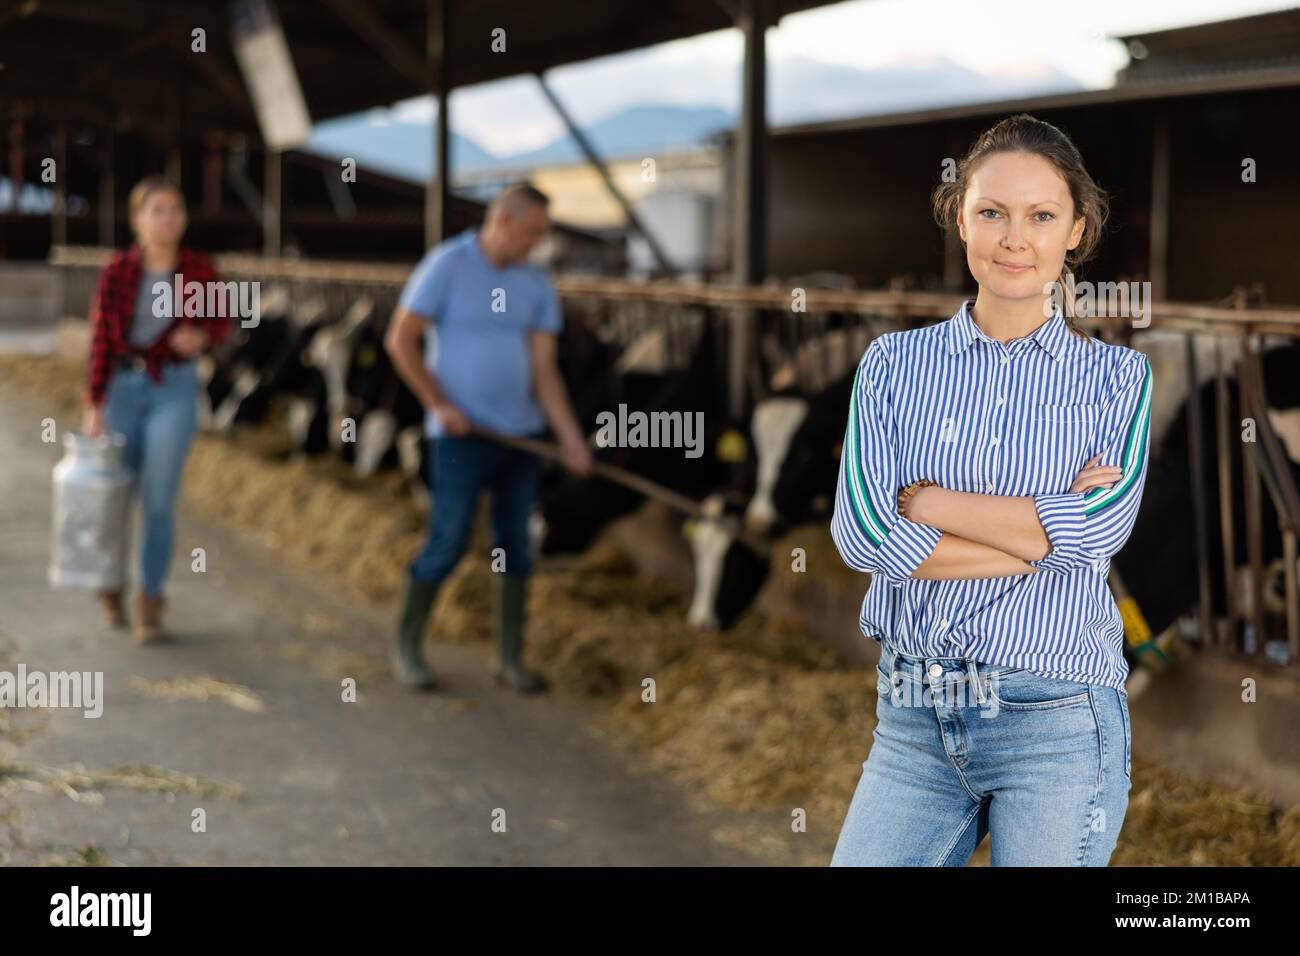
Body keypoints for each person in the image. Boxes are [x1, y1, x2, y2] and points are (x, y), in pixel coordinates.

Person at [828, 114, 1152, 866]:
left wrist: (927, 502)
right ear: (961, 220)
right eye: (992, 213)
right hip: (911, 718)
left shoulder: (1116, 379)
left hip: (1058, 718)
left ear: (1076, 230)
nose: (1016, 238)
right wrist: (1046, 540)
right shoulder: (891, 365)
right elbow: (861, 538)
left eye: (1042, 215)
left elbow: (1099, 532)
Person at [384, 182, 592, 694]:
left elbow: (545, 372)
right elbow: (400, 339)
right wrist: (438, 404)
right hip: (458, 436)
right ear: (503, 222)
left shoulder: (536, 284)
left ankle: (508, 659)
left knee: (517, 546)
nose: (537, 244)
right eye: (533, 233)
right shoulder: (447, 264)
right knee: (449, 539)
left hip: (519, 439)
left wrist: (569, 438)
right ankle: (407, 645)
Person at [81, 175, 232, 643]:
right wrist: (95, 402)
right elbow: (102, 339)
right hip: (123, 388)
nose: (170, 219)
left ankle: (150, 599)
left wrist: (203, 337)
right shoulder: (116, 272)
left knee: (160, 501)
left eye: (177, 210)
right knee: (114, 495)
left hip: (174, 387)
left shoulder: (200, 268)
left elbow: (222, 319)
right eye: (158, 210)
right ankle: (109, 583)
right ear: (137, 219)